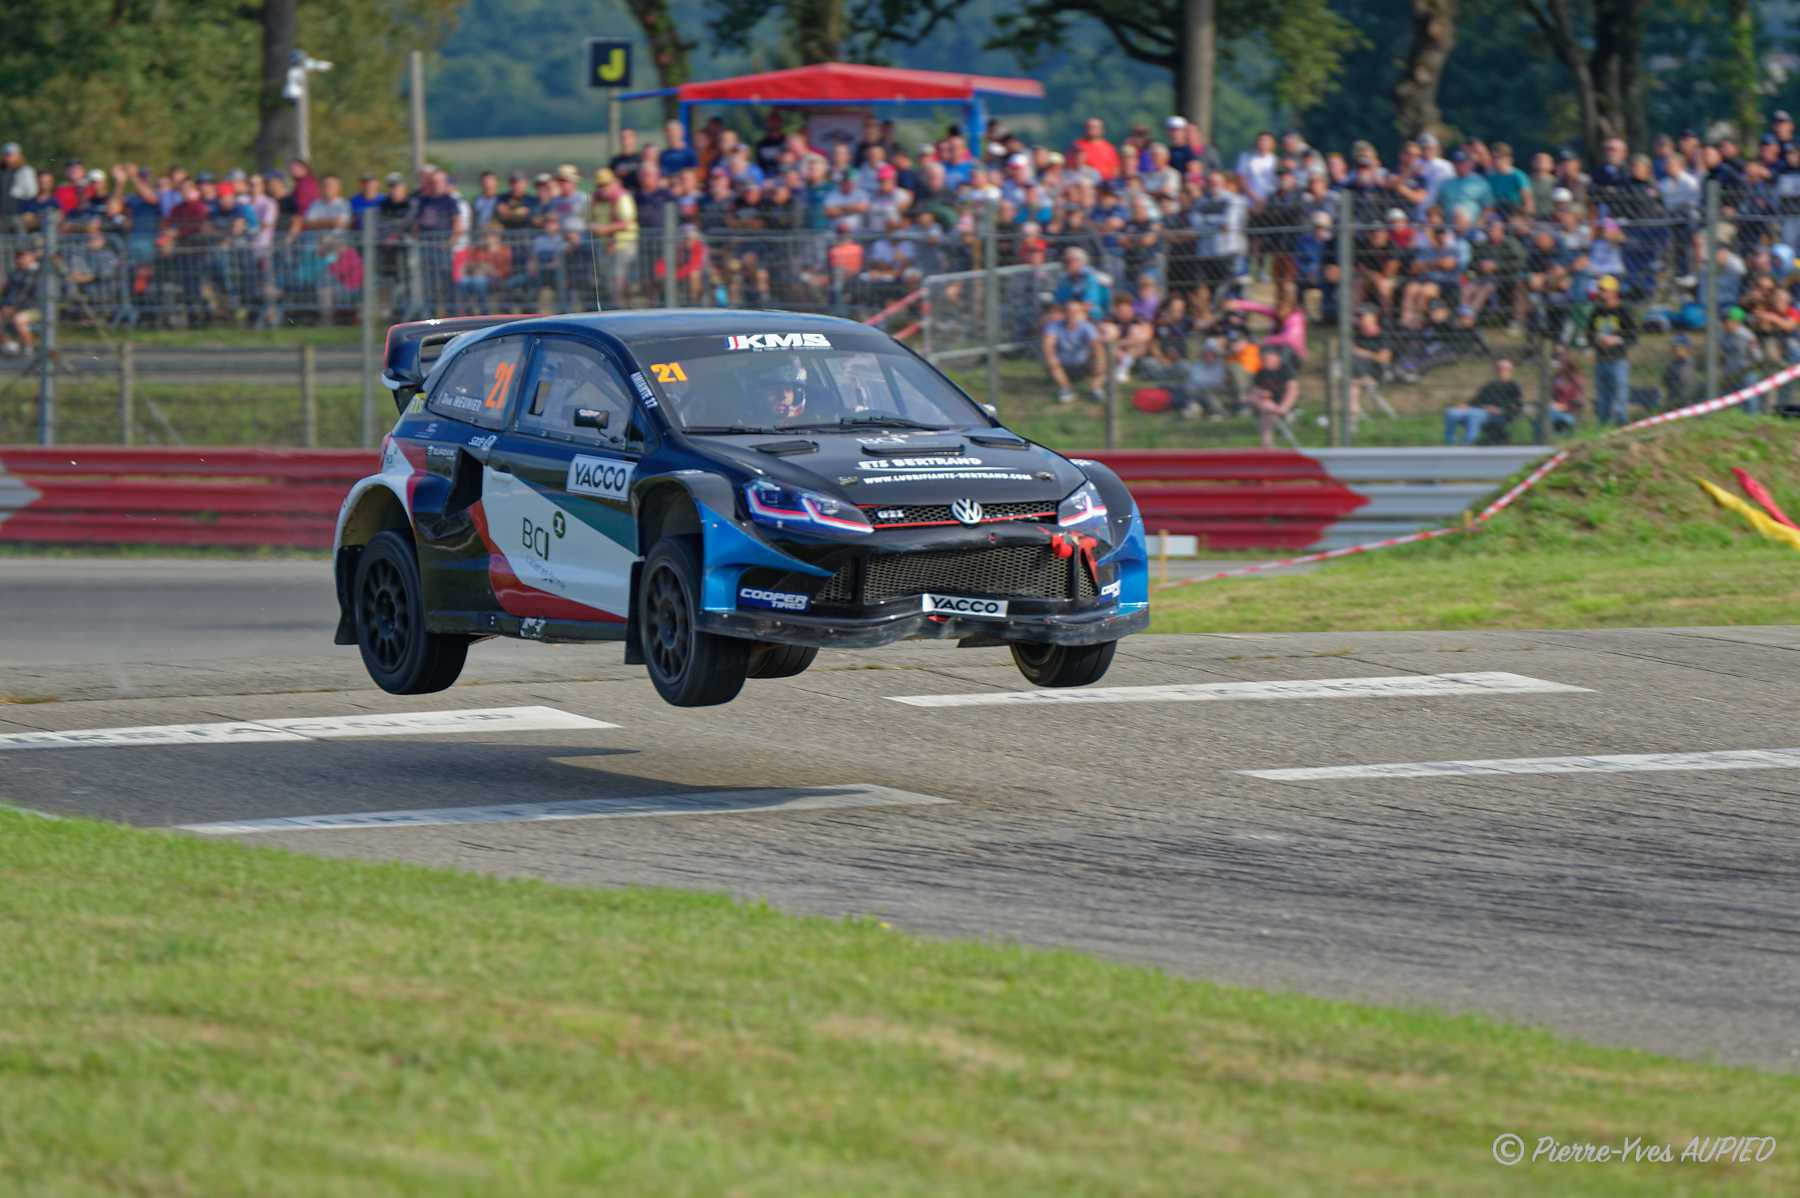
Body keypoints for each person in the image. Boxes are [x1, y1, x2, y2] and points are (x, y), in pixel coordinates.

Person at [1585, 274, 1636, 424]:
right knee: (1603, 397)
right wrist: (1597, 340)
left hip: (1618, 360)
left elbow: (1632, 336)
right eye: (1600, 289)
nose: (1601, 293)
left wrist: (1616, 340)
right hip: (1601, 360)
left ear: (1614, 292)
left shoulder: (1623, 311)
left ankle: (1621, 423)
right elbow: (1589, 334)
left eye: (1605, 290)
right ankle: (1603, 424)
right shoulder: (1597, 312)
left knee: (1620, 394)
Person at [1443, 358, 1524, 445]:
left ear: (1511, 371)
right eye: (1499, 368)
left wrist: (1500, 410)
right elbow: (1477, 400)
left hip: (1497, 415)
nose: (1501, 371)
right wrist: (1466, 405)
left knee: (1474, 415)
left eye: (1504, 369)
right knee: (1451, 413)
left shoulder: (1514, 386)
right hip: (1479, 410)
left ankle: (1468, 442)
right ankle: (1450, 442)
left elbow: (1517, 406)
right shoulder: (1490, 385)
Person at [1042, 298, 1104, 404]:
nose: (1072, 314)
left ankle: (1095, 390)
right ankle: (1066, 389)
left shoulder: (1087, 327)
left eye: (1076, 311)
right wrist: (1051, 357)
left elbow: (1097, 346)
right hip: (1062, 364)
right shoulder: (1054, 326)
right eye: (1069, 311)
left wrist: (1100, 361)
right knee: (1050, 358)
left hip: (1082, 364)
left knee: (1101, 358)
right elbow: (1048, 344)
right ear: (1064, 313)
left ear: (1081, 313)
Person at [1247, 338, 1298, 448]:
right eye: (1263, 357)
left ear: (1276, 357)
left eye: (1267, 357)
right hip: (1267, 406)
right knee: (1266, 407)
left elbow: (1292, 391)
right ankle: (1267, 443)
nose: (1264, 359)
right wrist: (1261, 394)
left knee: (1268, 409)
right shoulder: (1261, 372)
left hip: (1283, 406)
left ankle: (1266, 443)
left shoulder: (1285, 370)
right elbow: (1253, 393)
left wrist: (1283, 408)